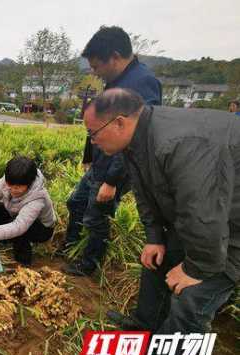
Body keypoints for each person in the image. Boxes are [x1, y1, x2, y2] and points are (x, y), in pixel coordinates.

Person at [84, 88, 238, 350]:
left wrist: (195, 269)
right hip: (202, 217)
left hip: (230, 225)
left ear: (119, 122)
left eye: (93, 134)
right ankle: (144, 325)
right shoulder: (136, 141)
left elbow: (204, 214)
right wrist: (155, 237)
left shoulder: (179, 143)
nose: (92, 142)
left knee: (193, 296)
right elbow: (145, 193)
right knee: (157, 261)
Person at [64, 25, 162, 276]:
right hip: (100, 163)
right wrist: (89, 158)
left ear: (115, 57)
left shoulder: (142, 83)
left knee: (97, 217)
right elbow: (100, 122)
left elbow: (135, 139)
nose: (95, 73)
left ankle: (88, 266)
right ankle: (70, 247)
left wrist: (112, 181)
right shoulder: (116, 81)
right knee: (75, 202)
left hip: (115, 169)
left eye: (97, 67)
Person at [0, 156, 56, 265]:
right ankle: (5, 240)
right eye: (10, 185)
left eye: (18, 187)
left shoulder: (38, 197)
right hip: (16, 215)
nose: (12, 189)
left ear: (29, 183)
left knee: (20, 231)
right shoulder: (9, 180)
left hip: (41, 228)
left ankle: (23, 262)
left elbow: (19, 227)